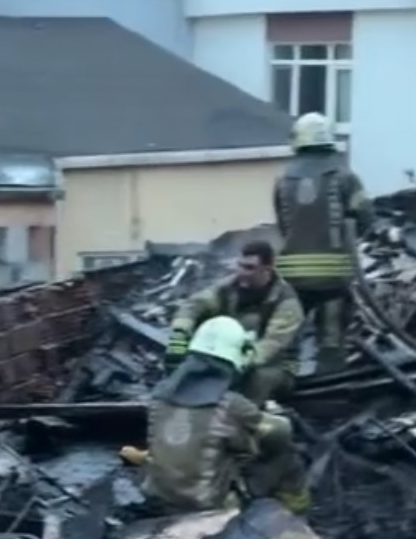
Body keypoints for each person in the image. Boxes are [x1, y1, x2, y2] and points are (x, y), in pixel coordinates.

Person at [141, 315, 309, 514]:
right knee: (287, 456)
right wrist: (271, 421)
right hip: (204, 504)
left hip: (158, 496)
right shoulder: (231, 405)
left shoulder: (159, 396)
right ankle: (296, 509)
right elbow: (280, 432)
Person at [273, 111, 373, 373]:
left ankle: (285, 384)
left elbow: (283, 226)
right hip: (333, 277)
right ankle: (329, 389)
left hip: (292, 277)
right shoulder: (344, 177)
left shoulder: (282, 181)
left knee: (288, 338)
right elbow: (366, 217)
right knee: (330, 340)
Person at [165, 239, 302, 406]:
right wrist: (180, 333)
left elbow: (272, 345)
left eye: (249, 268)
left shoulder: (286, 302)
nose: (242, 272)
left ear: (267, 269)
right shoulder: (229, 286)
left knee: (259, 378)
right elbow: (196, 304)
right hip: (230, 354)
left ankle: (246, 417)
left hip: (275, 365)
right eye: (240, 265)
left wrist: (239, 360)